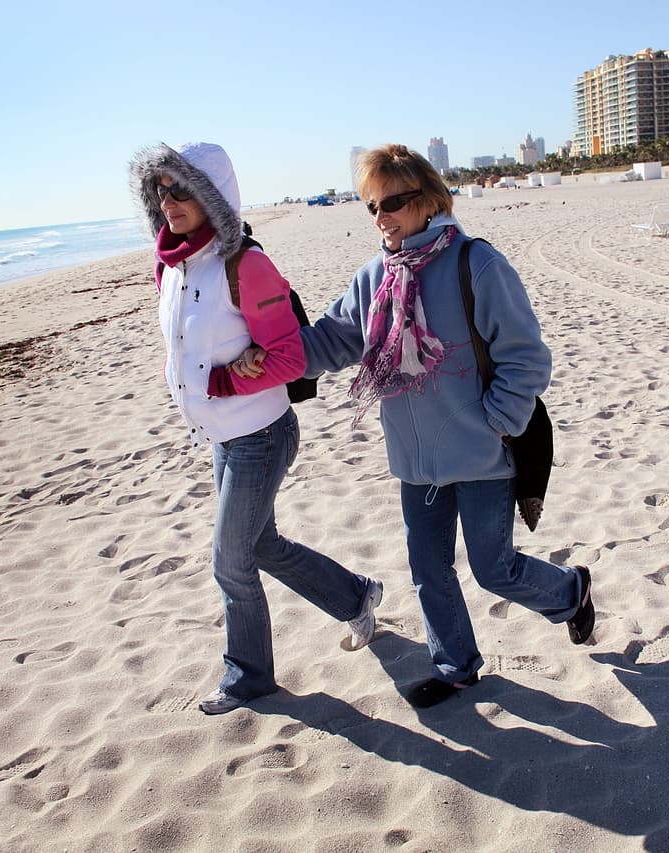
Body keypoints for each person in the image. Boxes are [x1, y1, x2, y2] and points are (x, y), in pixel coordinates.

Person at [244, 144, 594, 708]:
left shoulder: (476, 264)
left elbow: (527, 358)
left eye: (394, 203)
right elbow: (333, 341)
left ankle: (572, 593)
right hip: (415, 463)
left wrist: (495, 424)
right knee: (429, 572)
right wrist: (268, 353)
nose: (382, 217)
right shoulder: (374, 279)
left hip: (483, 456)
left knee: (494, 570)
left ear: (428, 200)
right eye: (372, 207)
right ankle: (456, 666)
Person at [128, 141, 383, 715]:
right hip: (222, 436)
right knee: (260, 544)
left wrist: (225, 382)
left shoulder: (246, 264)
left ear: (214, 194)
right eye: (161, 190)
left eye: (183, 189)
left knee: (230, 560)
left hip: (261, 435)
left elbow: (291, 358)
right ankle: (355, 595)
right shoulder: (170, 265)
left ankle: (248, 677)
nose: (169, 201)